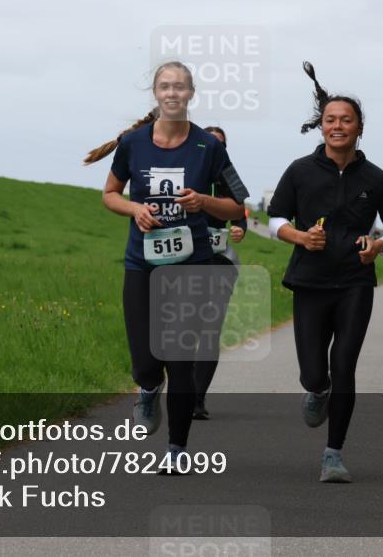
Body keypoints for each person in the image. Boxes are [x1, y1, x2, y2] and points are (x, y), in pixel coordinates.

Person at [84, 61, 243, 472]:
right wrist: (135, 208)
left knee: (180, 356)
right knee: (145, 362)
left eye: (180, 87)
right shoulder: (134, 143)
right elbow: (110, 194)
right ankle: (149, 387)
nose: (172, 93)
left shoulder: (209, 146)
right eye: (165, 86)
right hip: (143, 263)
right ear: (155, 93)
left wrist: (204, 202)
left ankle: (177, 449)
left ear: (191, 93)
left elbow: (236, 205)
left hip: (193, 264)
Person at [267, 61, 383, 483]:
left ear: (360, 127)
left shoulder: (375, 178)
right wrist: (299, 237)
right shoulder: (299, 171)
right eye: (330, 119)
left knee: (344, 364)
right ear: (321, 126)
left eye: (346, 119)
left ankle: (333, 455)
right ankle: (317, 389)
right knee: (315, 372)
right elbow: (275, 218)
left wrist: (381, 245)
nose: (338, 126)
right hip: (309, 281)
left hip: (354, 283)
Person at [193, 126, 248, 419]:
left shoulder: (230, 174)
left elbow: (241, 213)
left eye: (221, 144)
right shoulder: (184, 169)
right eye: (209, 142)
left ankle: (197, 399)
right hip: (184, 259)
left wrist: (240, 228)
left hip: (219, 260)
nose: (215, 147)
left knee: (209, 329)